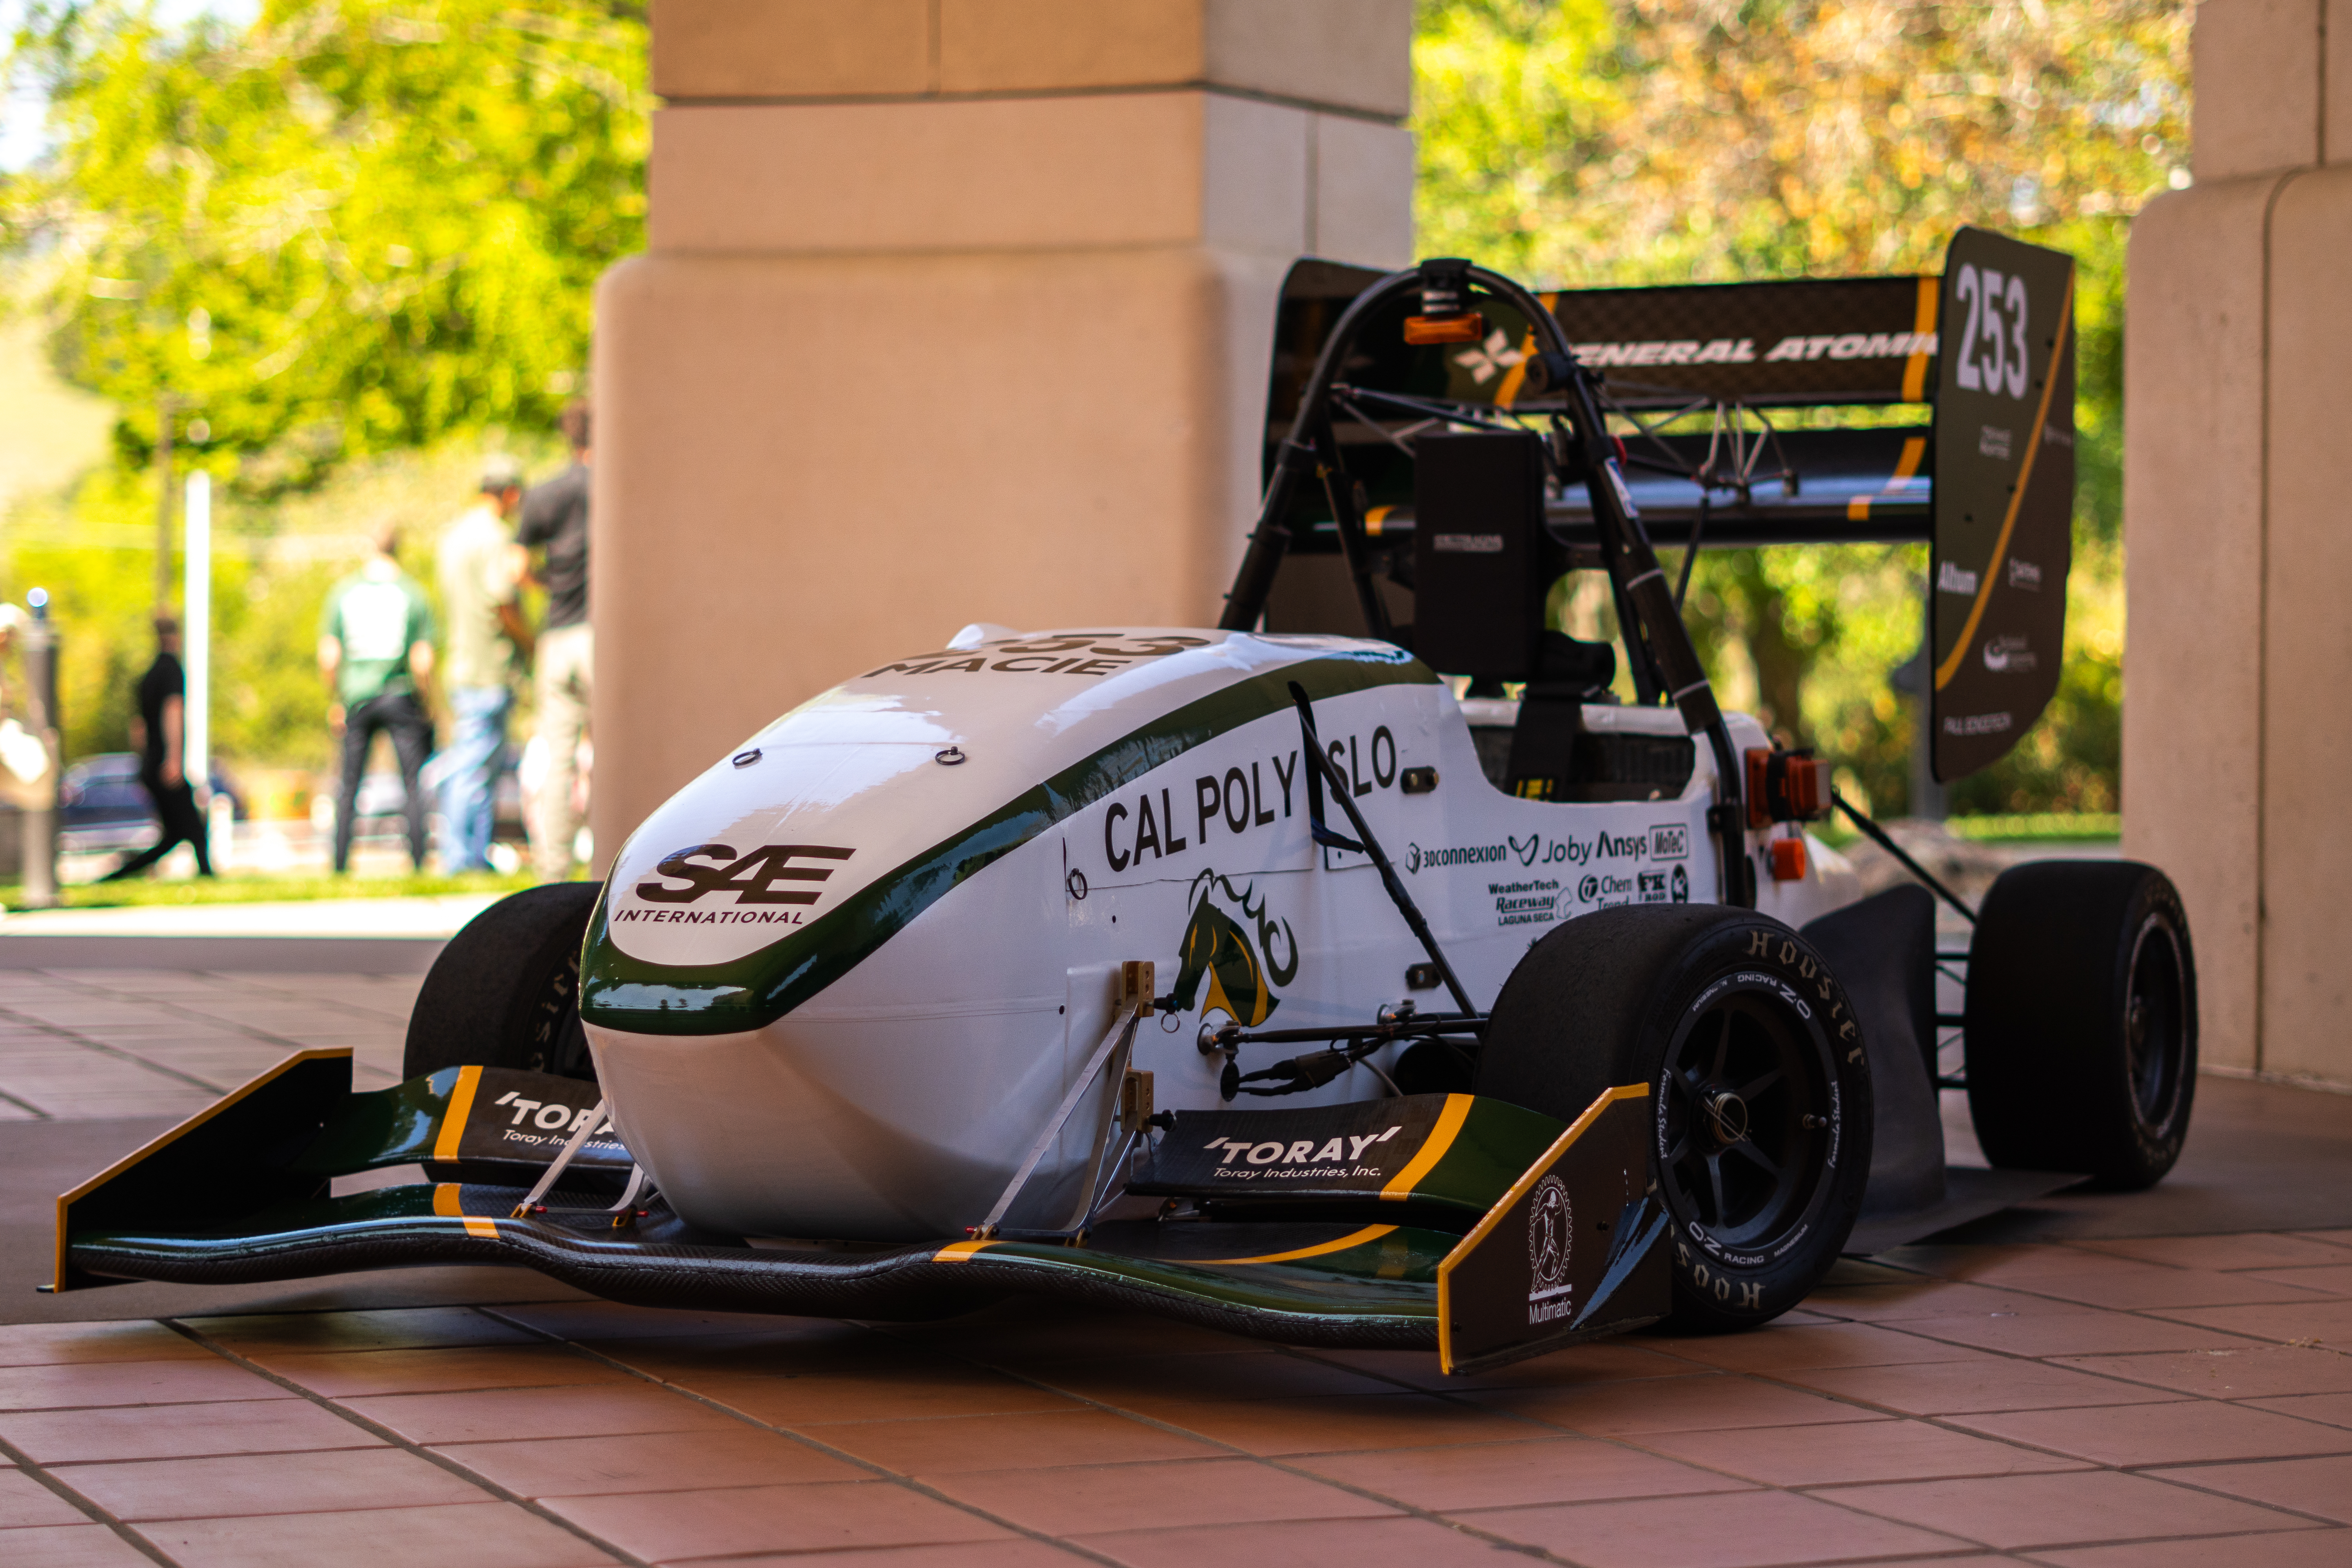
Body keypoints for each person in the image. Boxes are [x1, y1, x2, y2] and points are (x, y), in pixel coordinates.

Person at [320, 520, 437, 873]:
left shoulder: (344, 592)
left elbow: (329, 655)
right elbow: (422, 660)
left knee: (349, 784)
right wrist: (430, 703)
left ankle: (339, 864)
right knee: (412, 784)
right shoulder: (412, 593)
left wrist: (336, 697)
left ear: (368, 547)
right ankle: (418, 861)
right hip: (400, 694)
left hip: (357, 695)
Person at [434, 456, 531, 872]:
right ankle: (462, 858)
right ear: (510, 494)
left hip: (461, 662)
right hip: (487, 667)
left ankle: (470, 853)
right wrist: (532, 642)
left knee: (473, 763)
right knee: (475, 769)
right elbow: (502, 601)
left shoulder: (454, 535)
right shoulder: (494, 537)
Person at [517, 399, 591, 880]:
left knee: (558, 761)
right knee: (618, 755)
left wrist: (551, 585)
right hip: (603, 637)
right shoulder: (622, 490)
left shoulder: (544, 494)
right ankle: (611, 863)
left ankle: (553, 868)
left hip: (557, 633)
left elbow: (515, 569)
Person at [102, 615, 213, 880]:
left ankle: (119, 876)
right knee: (193, 829)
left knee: (175, 833)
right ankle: (207, 875)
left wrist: (145, 761)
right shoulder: (171, 670)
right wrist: (173, 757)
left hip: (151, 761)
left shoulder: (149, 676)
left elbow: (138, 727)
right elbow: (173, 711)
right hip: (165, 761)